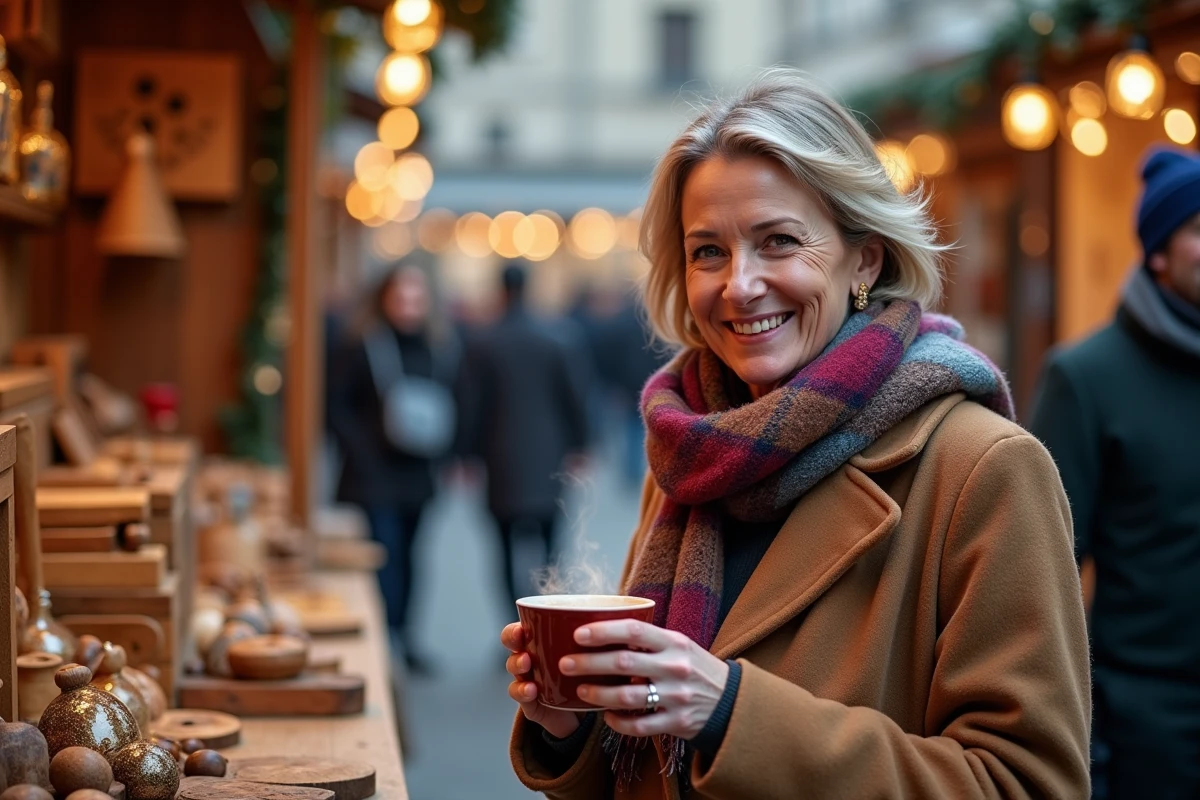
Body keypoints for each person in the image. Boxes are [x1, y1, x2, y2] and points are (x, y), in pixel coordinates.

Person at [500, 69, 1091, 799]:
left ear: (864, 260)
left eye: (778, 242)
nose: (739, 284)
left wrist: (731, 716)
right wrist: (573, 726)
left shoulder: (983, 468)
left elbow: (1027, 782)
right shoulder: (689, 454)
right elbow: (652, 766)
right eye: (707, 251)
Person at [1029, 146, 1200, 800]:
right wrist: (1083, 753)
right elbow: (1040, 582)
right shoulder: (1087, 378)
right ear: (1157, 252)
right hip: (1144, 740)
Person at [328, 263, 452, 674]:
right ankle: (383, 638)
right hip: (372, 475)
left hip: (418, 474)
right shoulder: (362, 344)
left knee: (414, 556)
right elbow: (336, 405)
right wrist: (362, 451)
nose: (408, 307)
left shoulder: (439, 346)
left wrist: (450, 454)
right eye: (400, 297)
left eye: (416, 298)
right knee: (385, 555)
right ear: (383, 299)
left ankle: (405, 635)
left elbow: (459, 401)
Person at [457, 263, 591, 609]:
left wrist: (466, 456)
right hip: (549, 456)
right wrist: (581, 445)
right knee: (550, 548)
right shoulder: (557, 337)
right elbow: (575, 395)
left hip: (499, 458)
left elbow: (470, 405)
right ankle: (547, 616)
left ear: (500, 289)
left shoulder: (483, 341)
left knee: (503, 548)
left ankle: (513, 621)